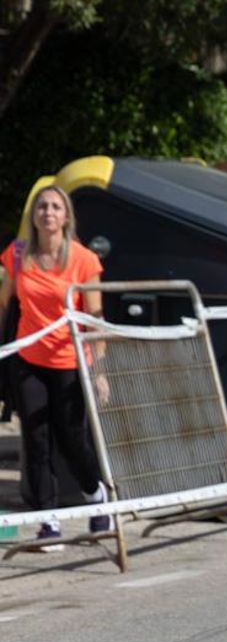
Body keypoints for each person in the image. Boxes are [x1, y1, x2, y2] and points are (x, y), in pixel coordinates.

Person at [0, 186, 111, 547]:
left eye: (55, 207)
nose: (48, 213)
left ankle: (96, 497)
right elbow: (5, 303)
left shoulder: (83, 260)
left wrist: (99, 371)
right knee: (36, 437)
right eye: (42, 207)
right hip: (28, 360)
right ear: (33, 216)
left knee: (72, 438)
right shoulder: (17, 256)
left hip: (68, 361)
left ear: (66, 217)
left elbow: (95, 318)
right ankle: (50, 521)